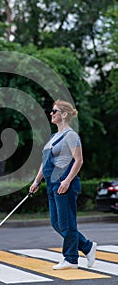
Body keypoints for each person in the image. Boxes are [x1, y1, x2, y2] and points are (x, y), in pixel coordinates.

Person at [30, 99, 97, 270]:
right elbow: (44, 162)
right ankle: (87, 246)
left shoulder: (71, 135)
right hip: (51, 184)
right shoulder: (53, 137)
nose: (51, 114)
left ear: (64, 114)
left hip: (65, 183)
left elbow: (78, 160)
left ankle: (71, 259)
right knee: (56, 223)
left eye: (54, 111)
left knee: (67, 223)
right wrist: (37, 181)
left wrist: (67, 181)